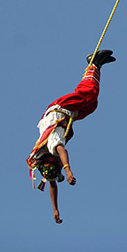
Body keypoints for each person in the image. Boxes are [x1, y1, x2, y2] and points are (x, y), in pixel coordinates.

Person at [26, 49, 116, 224]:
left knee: (87, 94)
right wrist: (55, 209)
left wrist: (68, 170)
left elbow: (61, 149)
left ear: (54, 161)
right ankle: (97, 66)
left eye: (59, 164)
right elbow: (51, 183)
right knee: (92, 104)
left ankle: (93, 63)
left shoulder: (52, 146)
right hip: (66, 114)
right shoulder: (42, 159)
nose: (60, 163)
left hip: (60, 109)